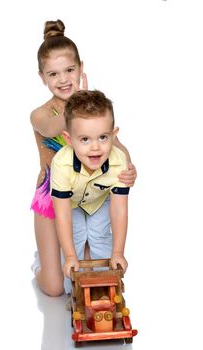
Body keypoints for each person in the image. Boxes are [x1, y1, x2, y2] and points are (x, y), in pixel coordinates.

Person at [30, 19, 137, 297]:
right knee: (55, 288)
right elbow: (55, 127)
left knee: (91, 270)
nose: (63, 79)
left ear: (80, 68)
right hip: (55, 195)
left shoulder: (92, 109)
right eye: (53, 74)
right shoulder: (41, 115)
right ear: (42, 77)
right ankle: (41, 261)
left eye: (69, 70)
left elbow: (115, 144)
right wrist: (77, 101)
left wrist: (128, 167)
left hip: (87, 195)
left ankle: (79, 246)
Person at [51, 90, 129, 281]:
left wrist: (118, 253)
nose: (95, 147)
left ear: (113, 134)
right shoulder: (61, 163)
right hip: (71, 204)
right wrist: (70, 256)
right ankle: (74, 293)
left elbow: (119, 209)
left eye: (103, 137)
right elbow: (62, 213)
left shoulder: (119, 160)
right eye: (85, 139)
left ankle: (105, 285)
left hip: (100, 201)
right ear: (69, 140)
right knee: (75, 239)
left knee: (100, 238)